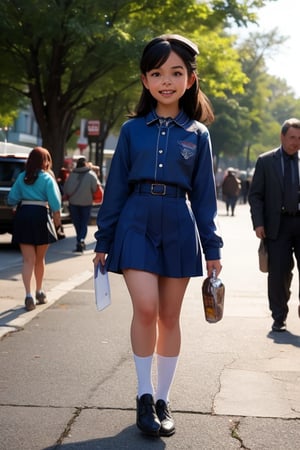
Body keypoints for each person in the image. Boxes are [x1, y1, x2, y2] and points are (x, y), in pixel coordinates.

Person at [93, 34, 223, 437]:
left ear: (190, 79)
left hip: (180, 225)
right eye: (157, 73)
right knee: (146, 309)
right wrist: (102, 240)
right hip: (135, 220)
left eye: (175, 72)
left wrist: (212, 249)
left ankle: (164, 399)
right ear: (145, 81)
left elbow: (204, 197)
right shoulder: (132, 130)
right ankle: (144, 395)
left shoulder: (198, 134)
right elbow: (114, 190)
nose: (166, 80)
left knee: (169, 316)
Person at [248, 118, 300, 332]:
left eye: (299, 139)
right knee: (279, 272)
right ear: (282, 137)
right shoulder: (266, 161)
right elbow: (256, 196)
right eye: (292, 138)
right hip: (276, 225)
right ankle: (279, 315)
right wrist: (258, 223)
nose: (295, 142)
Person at [7, 146, 63, 311]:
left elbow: (11, 198)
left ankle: (28, 295)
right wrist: (57, 219)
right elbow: (55, 202)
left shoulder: (22, 177)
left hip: (23, 216)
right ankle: (39, 291)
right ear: (45, 161)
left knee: (27, 260)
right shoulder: (46, 178)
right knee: (40, 260)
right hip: (41, 217)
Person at [63, 156, 102, 253]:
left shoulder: (71, 175)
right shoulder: (91, 175)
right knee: (84, 223)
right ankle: (81, 240)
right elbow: (95, 188)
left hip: (73, 203)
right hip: (86, 203)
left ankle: (79, 239)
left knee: (77, 223)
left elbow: (66, 189)